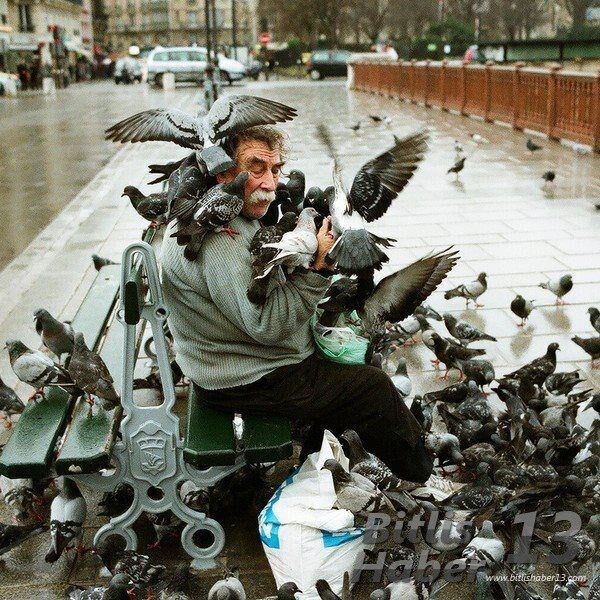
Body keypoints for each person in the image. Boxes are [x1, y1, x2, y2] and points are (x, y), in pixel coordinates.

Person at [161, 125, 433, 483]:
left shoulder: (225, 212)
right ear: (224, 172)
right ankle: (422, 475)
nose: (271, 183)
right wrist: (318, 269)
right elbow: (268, 326)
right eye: (256, 168)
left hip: (235, 358)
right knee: (373, 387)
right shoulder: (219, 241)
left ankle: (320, 464)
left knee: (352, 361)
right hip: (244, 376)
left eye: (276, 170)